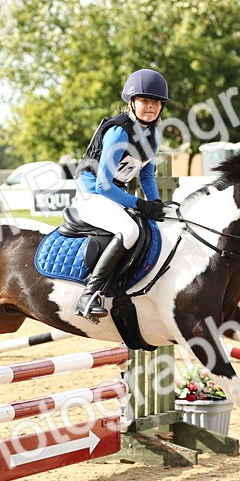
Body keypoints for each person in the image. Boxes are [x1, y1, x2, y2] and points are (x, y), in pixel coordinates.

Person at [70, 68, 168, 318]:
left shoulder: (152, 133)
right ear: (132, 103)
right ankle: (88, 296)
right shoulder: (119, 131)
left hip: (115, 195)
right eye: (145, 100)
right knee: (130, 229)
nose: (152, 106)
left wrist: (155, 202)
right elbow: (103, 184)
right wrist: (140, 205)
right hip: (91, 194)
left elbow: (146, 175)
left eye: (157, 102)